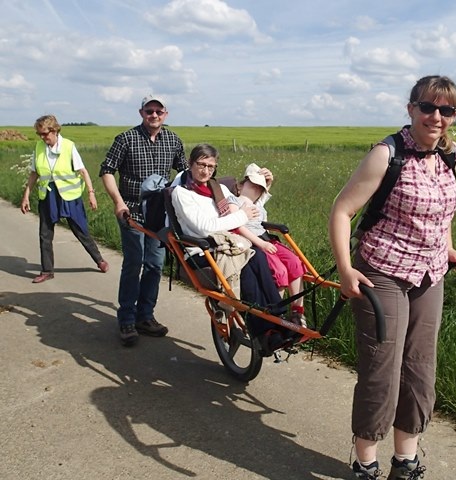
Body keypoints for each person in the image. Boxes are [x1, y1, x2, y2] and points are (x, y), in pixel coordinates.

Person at [328, 75, 456, 480]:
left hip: (430, 273)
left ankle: (405, 460)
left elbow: (443, 211)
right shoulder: (386, 154)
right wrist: (346, 270)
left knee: (420, 366)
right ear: (410, 109)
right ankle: (365, 462)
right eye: (427, 107)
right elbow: (342, 211)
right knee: (383, 368)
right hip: (383, 272)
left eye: (446, 110)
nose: (436, 117)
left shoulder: (452, 155)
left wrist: (447, 247)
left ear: (454, 116)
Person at [170, 144, 291, 355]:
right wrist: (241, 215)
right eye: (201, 164)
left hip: (227, 245)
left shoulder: (219, 189)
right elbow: (204, 227)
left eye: (211, 166)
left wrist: (262, 191)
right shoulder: (181, 193)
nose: (206, 171)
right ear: (190, 164)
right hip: (201, 250)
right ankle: (263, 333)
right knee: (245, 267)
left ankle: (278, 319)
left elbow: (247, 210)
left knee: (257, 256)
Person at [100, 95, 187, 347]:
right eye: (149, 111)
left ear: (166, 114)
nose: (154, 115)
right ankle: (126, 318)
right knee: (134, 262)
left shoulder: (173, 140)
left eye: (159, 111)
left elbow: (183, 174)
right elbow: (107, 170)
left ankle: (145, 316)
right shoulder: (126, 139)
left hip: (159, 214)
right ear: (141, 113)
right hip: (133, 213)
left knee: (155, 265)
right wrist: (118, 202)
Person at [20, 114, 109, 284]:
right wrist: (26, 196)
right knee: (45, 234)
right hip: (48, 195)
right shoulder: (39, 148)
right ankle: (47, 271)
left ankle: (99, 260)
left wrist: (91, 193)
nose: (42, 137)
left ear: (54, 131)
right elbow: (34, 173)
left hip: (70, 196)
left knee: (80, 231)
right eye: (40, 134)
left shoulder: (68, 146)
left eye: (45, 133)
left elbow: (83, 171)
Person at [227, 163, 307, 326]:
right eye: (253, 184)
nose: (257, 189)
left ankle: (297, 312)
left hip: (266, 239)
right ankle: (276, 313)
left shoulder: (258, 203)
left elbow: (263, 193)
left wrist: (268, 181)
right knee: (279, 271)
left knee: (294, 262)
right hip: (250, 242)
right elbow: (237, 226)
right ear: (240, 185)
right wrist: (261, 244)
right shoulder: (233, 200)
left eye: (260, 187)